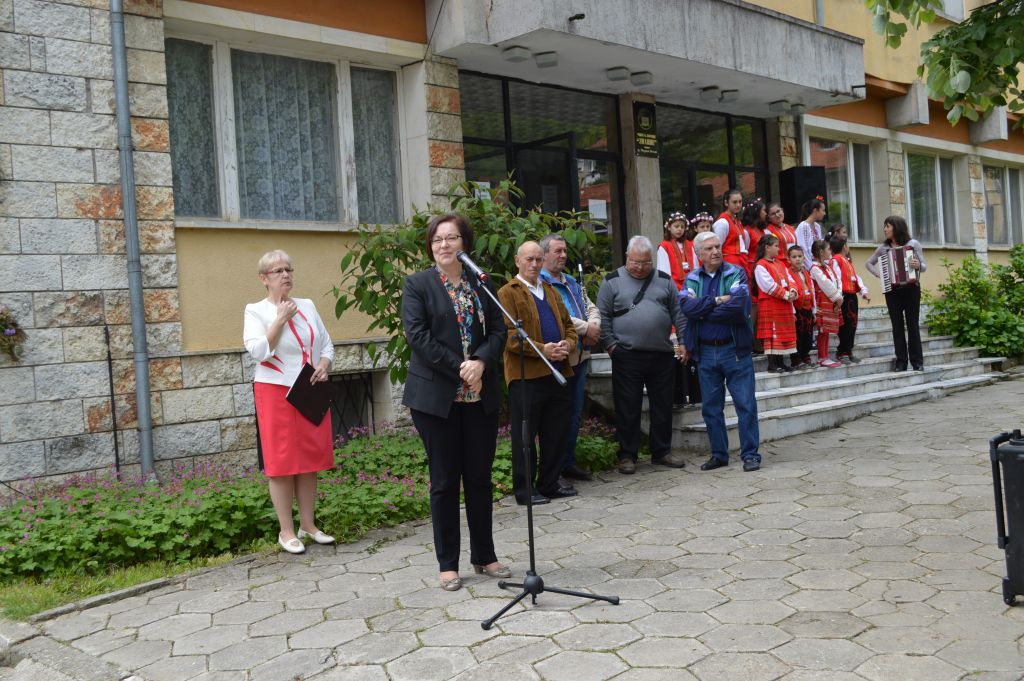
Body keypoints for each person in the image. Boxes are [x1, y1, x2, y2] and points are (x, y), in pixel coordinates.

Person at [401, 213, 510, 592]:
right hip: (436, 399)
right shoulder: (418, 285)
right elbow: (418, 336)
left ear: (465, 243)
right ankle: (448, 564)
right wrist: (462, 368)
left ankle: (484, 556)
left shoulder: (482, 283)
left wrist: (481, 362)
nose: (443, 245)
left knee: (479, 478)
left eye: (451, 238)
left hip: (480, 395)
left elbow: (500, 330)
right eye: (437, 239)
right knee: (445, 481)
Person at [243, 250, 336, 555]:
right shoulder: (255, 311)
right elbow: (258, 352)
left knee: (309, 460)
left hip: (309, 390)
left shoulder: (307, 305)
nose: (285, 275)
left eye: (288, 269)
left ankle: (308, 525)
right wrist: (280, 320)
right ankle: (286, 531)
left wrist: (323, 364)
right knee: (282, 463)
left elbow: (326, 344)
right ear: (264, 279)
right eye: (278, 271)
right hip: (275, 392)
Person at [597, 236, 688, 474]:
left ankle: (662, 451)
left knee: (663, 405)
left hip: (661, 353)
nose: (640, 267)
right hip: (627, 354)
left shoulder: (665, 280)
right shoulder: (612, 281)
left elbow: (678, 313)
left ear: (652, 260)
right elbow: (602, 316)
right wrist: (611, 346)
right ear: (627, 257)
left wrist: (683, 342)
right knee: (628, 406)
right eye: (635, 262)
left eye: (645, 262)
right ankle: (627, 455)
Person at [498, 241, 579, 504]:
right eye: (529, 259)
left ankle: (550, 483)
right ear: (517, 261)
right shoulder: (507, 293)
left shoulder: (551, 291)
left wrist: (567, 344)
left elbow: (569, 326)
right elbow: (508, 335)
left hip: (558, 372)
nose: (534, 264)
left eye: (538, 259)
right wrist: (543, 349)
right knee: (525, 437)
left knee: (555, 433)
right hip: (526, 376)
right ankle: (525, 490)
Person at [680, 232, 762, 472]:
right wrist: (717, 301)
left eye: (717, 246)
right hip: (705, 351)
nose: (715, 251)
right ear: (699, 254)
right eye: (709, 248)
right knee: (711, 408)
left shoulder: (736, 273)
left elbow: (739, 308)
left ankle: (750, 455)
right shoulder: (692, 278)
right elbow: (687, 308)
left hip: (734, 349)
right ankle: (719, 455)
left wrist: (703, 311)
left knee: (745, 404)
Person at [540, 233, 601, 483]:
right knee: (556, 417)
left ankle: (568, 463)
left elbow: (591, 306)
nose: (563, 255)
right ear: (544, 254)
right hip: (558, 359)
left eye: (565, 251)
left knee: (574, 414)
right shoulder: (541, 284)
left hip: (580, 357)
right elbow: (558, 315)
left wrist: (594, 325)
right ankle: (553, 470)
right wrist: (587, 329)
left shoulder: (571, 281)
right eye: (558, 251)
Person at [866, 215, 926, 371]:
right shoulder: (883, 248)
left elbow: (924, 266)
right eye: (885, 226)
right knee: (897, 326)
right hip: (892, 291)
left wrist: (918, 265)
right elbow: (869, 263)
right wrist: (880, 274)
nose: (885, 229)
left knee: (913, 325)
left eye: (888, 226)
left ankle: (917, 362)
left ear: (896, 227)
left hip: (912, 289)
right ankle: (901, 362)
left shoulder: (913, 244)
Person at [754, 234, 799, 372]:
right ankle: (772, 364)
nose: (779, 249)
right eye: (776, 246)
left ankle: (781, 362)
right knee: (772, 334)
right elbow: (767, 285)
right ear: (767, 247)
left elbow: (790, 279)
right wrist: (786, 295)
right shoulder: (760, 265)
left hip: (783, 304)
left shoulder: (780, 264)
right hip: (771, 304)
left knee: (781, 334)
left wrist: (793, 291)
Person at [829, 233, 871, 364]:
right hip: (843, 296)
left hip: (852, 295)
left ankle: (848, 350)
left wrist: (863, 291)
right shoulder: (836, 260)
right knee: (845, 325)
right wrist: (838, 297)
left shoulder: (847, 261)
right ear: (844, 247)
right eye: (847, 244)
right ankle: (842, 352)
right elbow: (836, 278)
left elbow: (856, 278)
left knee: (852, 324)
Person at [809, 239, 844, 369]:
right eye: (828, 249)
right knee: (822, 330)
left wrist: (839, 296)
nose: (830, 251)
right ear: (821, 252)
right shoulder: (815, 268)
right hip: (822, 301)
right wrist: (837, 297)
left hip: (831, 300)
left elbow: (837, 280)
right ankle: (822, 357)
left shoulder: (827, 266)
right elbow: (826, 284)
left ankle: (825, 356)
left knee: (827, 330)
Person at [787, 245, 816, 370]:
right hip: (797, 308)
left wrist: (814, 310)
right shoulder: (788, 273)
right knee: (798, 335)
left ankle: (805, 355)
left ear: (804, 258)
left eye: (800, 256)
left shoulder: (806, 273)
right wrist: (792, 312)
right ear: (789, 259)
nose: (797, 259)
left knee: (808, 334)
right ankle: (796, 359)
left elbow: (812, 290)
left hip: (808, 308)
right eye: (794, 257)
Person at [713, 188, 749, 271]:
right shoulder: (722, 223)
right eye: (734, 202)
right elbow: (716, 247)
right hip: (729, 265)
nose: (738, 205)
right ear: (726, 203)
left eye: (740, 201)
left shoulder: (737, 221)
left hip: (741, 262)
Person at [657, 212, 693, 291]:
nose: (679, 229)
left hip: (692, 283)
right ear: (669, 227)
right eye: (676, 226)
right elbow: (664, 271)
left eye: (682, 227)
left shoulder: (690, 244)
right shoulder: (664, 246)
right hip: (674, 285)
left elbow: (696, 265)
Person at [795, 197, 826, 271]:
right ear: (815, 210)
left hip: (817, 265)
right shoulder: (804, 226)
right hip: (808, 267)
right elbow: (803, 249)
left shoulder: (817, 226)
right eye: (823, 210)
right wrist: (811, 268)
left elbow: (819, 246)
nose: (824, 213)